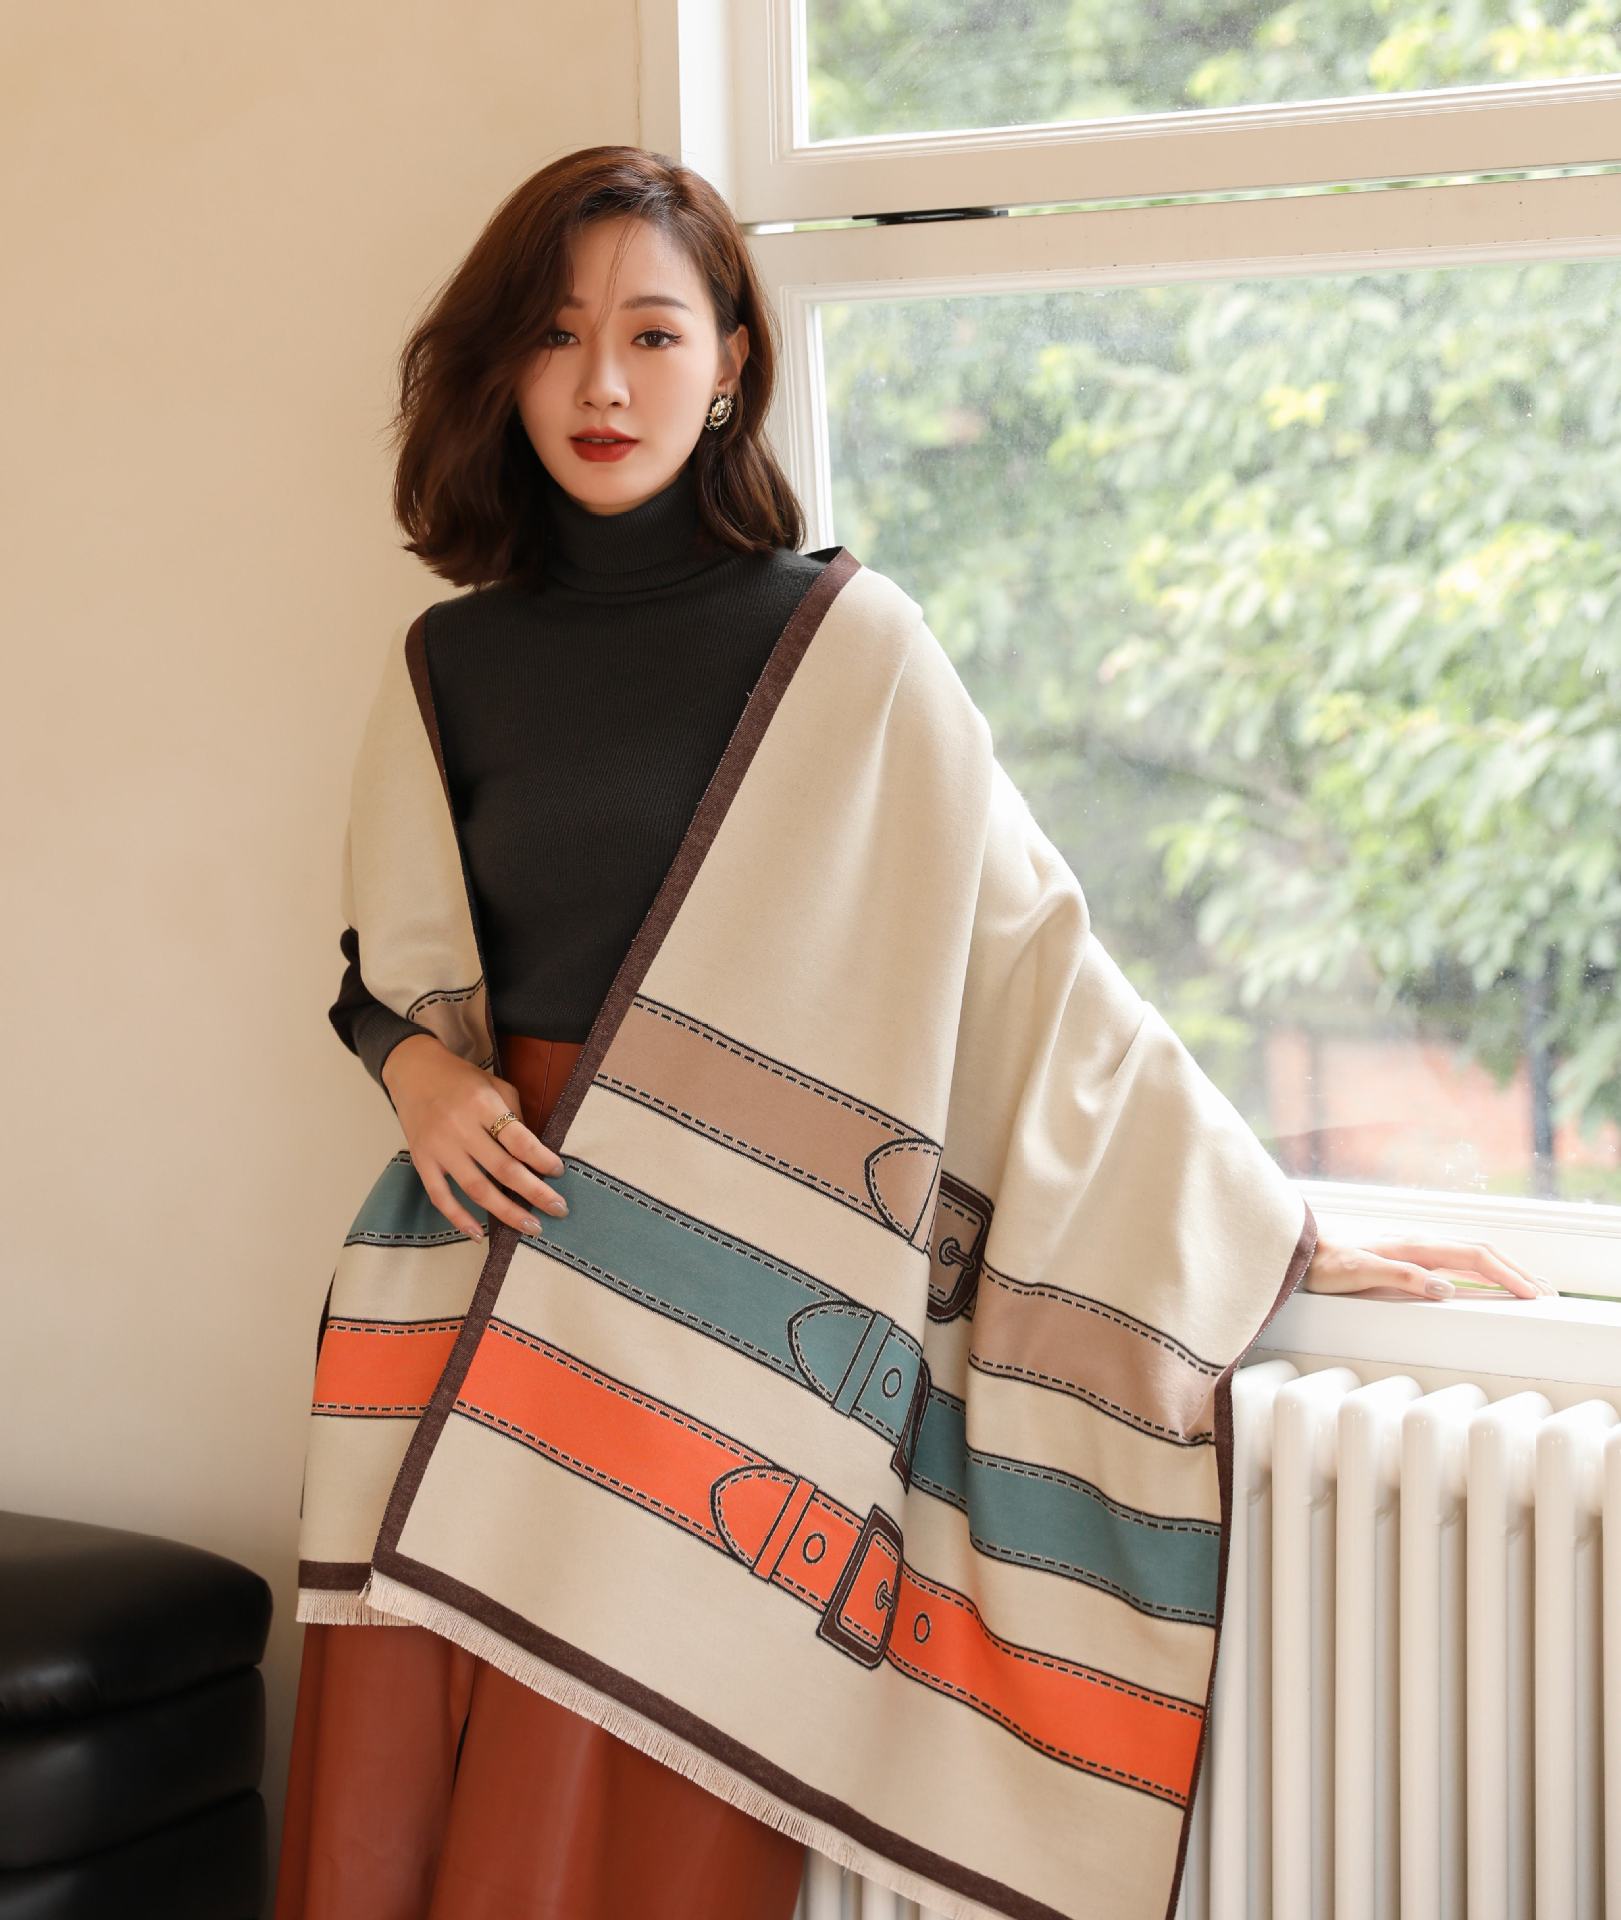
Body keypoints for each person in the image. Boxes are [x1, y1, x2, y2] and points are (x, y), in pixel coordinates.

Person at [277, 142, 1557, 1920]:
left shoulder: (844, 645)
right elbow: (390, 968)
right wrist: (416, 1068)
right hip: (461, 1277)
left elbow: (1034, 969)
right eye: (557, 335)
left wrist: (1272, 1227)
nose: (602, 383)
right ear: (503, 366)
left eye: (652, 333)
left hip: (709, 1315)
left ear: (732, 362)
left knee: (608, 1830)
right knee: (384, 1820)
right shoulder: (450, 662)